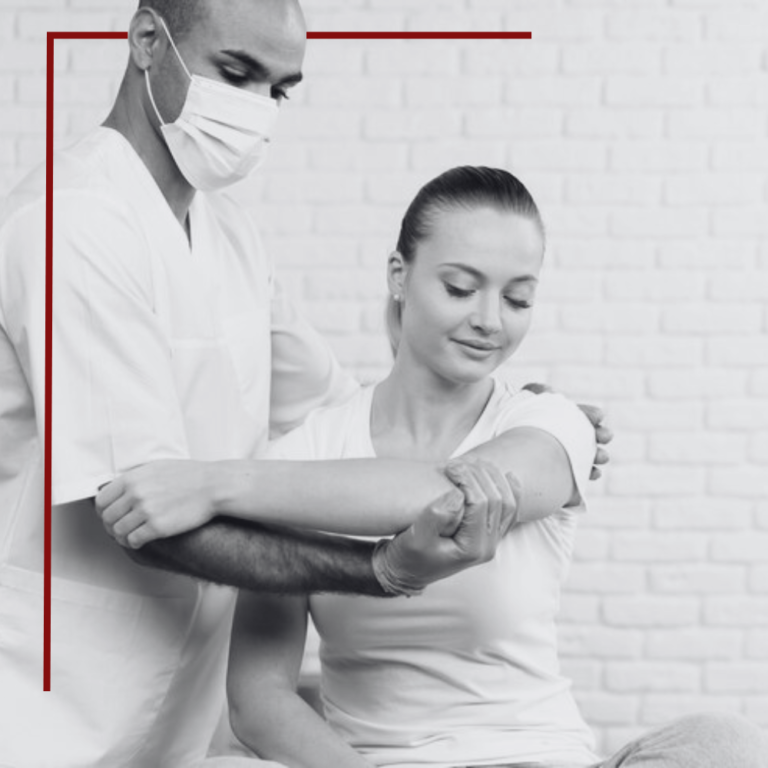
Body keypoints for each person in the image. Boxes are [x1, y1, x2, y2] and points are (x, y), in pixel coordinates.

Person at [0, 2, 612, 767]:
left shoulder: (229, 235)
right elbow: (143, 509)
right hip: (56, 698)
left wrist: (522, 424)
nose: (256, 109)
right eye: (237, 73)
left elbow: (348, 415)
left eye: (279, 89)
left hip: (175, 706)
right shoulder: (74, 225)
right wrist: (379, 571)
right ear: (148, 41)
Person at [102, 167, 767, 768]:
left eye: (518, 299)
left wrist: (215, 483)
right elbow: (259, 698)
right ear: (400, 275)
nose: (489, 321)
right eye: (460, 288)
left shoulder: (550, 423)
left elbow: (441, 491)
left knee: (725, 744)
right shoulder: (305, 457)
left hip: (536, 758)